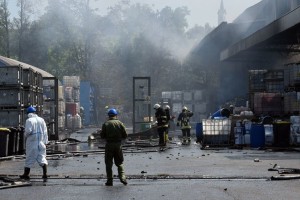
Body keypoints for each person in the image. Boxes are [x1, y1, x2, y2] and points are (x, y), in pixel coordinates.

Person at [100, 108, 128, 186]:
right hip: (118, 144)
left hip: (109, 145)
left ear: (109, 116)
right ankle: (122, 178)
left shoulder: (106, 124)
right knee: (119, 163)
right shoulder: (120, 123)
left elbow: (102, 136)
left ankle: (110, 180)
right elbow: (125, 135)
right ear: (116, 115)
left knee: (108, 163)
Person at [20, 106, 48, 180]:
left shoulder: (29, 120)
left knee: (29, 158)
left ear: (28, 113)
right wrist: (45, 142)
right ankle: (45, 174)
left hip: (32, 142)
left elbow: (28, 131)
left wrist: (25, 135)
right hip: (41, 142)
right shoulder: (41, 120)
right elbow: (45, 131)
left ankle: (26, 174)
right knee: (42, 157)